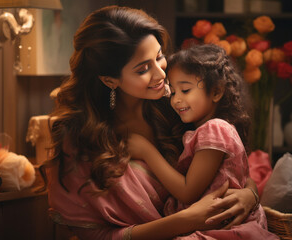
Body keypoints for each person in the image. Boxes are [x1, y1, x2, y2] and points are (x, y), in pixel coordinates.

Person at [43, 5, 260, 240]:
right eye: (143, 69)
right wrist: (183, 221)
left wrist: (250, 195)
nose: (160, 74)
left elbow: (231, 166)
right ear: (110, 80)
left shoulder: (176, 107)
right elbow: (96, 236)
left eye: (159, 57)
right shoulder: (81, 140)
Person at [127, 44, 279, 239]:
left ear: (216, 92)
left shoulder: (214, 129)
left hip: (220, 229)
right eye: (173, 92)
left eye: (185, 90)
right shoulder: (202, 129)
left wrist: (147, 151)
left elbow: (188, 192)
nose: (176, 100)